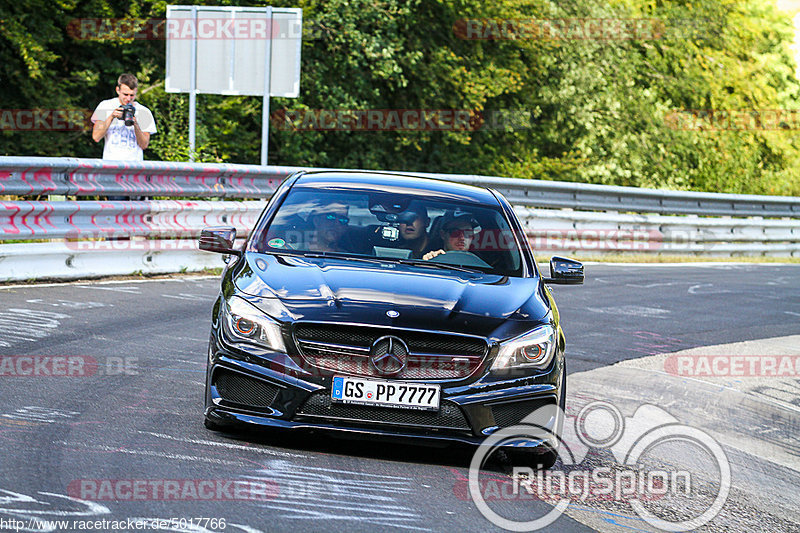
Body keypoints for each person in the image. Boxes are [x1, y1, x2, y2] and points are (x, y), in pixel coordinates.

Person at [91, 73, 157, 161]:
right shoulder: (105, 105)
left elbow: (144, 145)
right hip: (111, 164)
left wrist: (136, 124)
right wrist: (111, 117)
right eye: (125, 94)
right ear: (118, 90)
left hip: (134, 165)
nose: (128, 99)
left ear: (136, 91)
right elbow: (96, 137)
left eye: (132, 95)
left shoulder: (144, 112)